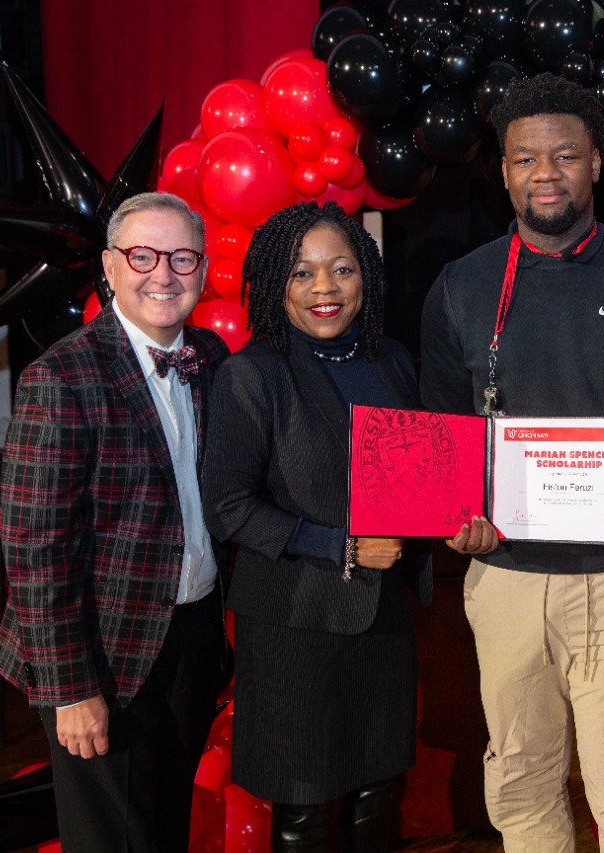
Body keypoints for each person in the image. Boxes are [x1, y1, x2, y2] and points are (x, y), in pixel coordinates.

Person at [419, 72, 604, 852]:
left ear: (596, 164)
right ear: (505, 170)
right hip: (506, 580)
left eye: (562, 156)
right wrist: (457, 518)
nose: (543, 173)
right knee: (520, 789)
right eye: (524, 158)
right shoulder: (461, 286)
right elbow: (444, 422)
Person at [0, 192, 230, 852]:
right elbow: (34, 547)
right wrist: (70, 689)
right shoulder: (61, 377)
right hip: (99, 648)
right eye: (143, 255)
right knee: (112, 839)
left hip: (191, 637)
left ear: (204, 271)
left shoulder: (210, 359)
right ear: (110, 266)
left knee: (165, 827)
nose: (164, 274)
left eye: (182, 257)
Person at [202, 201, 432, 853]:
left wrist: (451, 517)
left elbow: (415, 476)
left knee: (379, 792)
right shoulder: (253, 375)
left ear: (369, 277)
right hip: (293, 623)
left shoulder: (393, 361)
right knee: (305, 807)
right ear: (276, 283)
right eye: (302, 273)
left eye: (342, 269)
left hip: (383, 621)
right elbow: (228, 504)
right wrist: (342, 546)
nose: (325, 288)